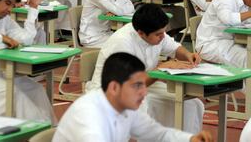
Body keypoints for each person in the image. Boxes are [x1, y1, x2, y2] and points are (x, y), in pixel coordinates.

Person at [87, 4, 204, 134]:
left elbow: (174, 48)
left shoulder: (156, 33)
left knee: (192, 104)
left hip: (144, 82)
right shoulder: (122, 43)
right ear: (141, 33)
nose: (163, 37)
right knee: (142, 107)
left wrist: (188, 55)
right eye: (159, 34)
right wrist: (161, 69)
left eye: (163, 32)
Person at [53, 52, 212, 142]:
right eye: (137, 86)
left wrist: (190, 139)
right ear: (114, 87)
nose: (144, 92)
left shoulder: (121, 105)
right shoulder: (90, 119)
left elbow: (158, 134)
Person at [196, 0, 251, 67]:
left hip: (232, 41)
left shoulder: (247, 5)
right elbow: (227, 18)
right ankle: (247, 81)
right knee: (247, 58)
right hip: (212, 44)